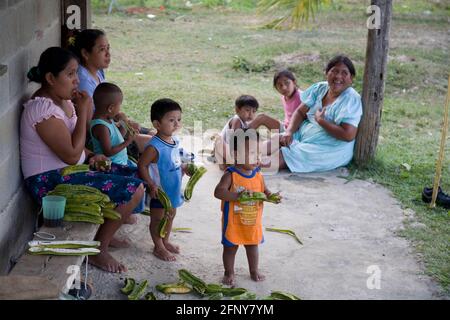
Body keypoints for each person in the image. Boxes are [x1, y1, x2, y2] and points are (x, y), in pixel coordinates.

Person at [20, 47, 145, 273]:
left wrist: (91, 154)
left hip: (69, 170)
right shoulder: (41, 109)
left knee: (134, 174)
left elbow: (76, 147)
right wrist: (85, 111)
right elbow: (68, 153)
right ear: (50, 78)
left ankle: (105, 232)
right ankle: (99, 249)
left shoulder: (64, 102)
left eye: (77, 73)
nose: (77, 80)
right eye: (70, 74)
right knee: (134, 189)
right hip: (49, 182)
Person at [268, 55, 363, 173]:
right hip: (305, 136)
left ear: (351, 78)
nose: (338, 76)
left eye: (344, 73)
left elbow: (348, 135)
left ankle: (245, 168)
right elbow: (300, 112)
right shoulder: (320, 88)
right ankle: (241, 157)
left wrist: (321, 121)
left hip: (327, 149)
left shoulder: (351, 99)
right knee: (277, 139)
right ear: (326, 73)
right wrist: (289, 131)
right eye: (334, 71)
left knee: (281, 156)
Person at [68, 28, 154, 155]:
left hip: (111, 125)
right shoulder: (83, 82)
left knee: (157, 134)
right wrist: (122, 124)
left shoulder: (97, 71)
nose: (108, 54)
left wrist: (124, 121)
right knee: (156, 144)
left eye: (108, 48)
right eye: (102, 49)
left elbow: (106, 109)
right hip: (101, 136)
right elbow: (93, 123)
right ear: (86, 54)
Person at [214, 129, 280, 285]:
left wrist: (271, 196)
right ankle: (229, 272)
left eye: (258, 153)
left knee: (252, 246)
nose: (257, 158)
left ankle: (253, 270)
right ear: (236, 154)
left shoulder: (258, 173)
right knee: (230, 248)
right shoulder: (231, 174)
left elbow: (264, 189)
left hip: (252, 220)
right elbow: (218, 192)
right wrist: (237, 196)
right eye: (251, 153)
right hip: (233, 222)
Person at [137, 98, 191, 262]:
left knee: (171, 214)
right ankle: (158, 246)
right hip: (160, 191)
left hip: (173, 188)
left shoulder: (174, 141)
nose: (176, 124)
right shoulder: (154, 147)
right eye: (171, 120)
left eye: (179, 120)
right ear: (157, 124)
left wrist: (182, 167)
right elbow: (142, 166)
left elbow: (173, 159)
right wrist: (150, 184)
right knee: (158, 219)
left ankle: (165, 240)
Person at [214, 95, 281, 170]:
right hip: (230, 149)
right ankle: (225, 162)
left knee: (273, 140)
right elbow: (234, 141)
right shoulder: (237, 120)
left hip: (240, 152)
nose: (251, 114)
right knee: (219, 141)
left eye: (253, 111)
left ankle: (233, 161)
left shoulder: (245, 123)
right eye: (247, 110)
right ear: (237, 110)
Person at [90, 82, 137, 167]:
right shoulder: (101, 127)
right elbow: (108, 152)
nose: (120, 109)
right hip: (112, 166)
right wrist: (127, 142)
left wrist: (124, 124)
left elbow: (117, 138)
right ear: (110, 108)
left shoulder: (108, 119)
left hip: (121, 161)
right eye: (119, 106)